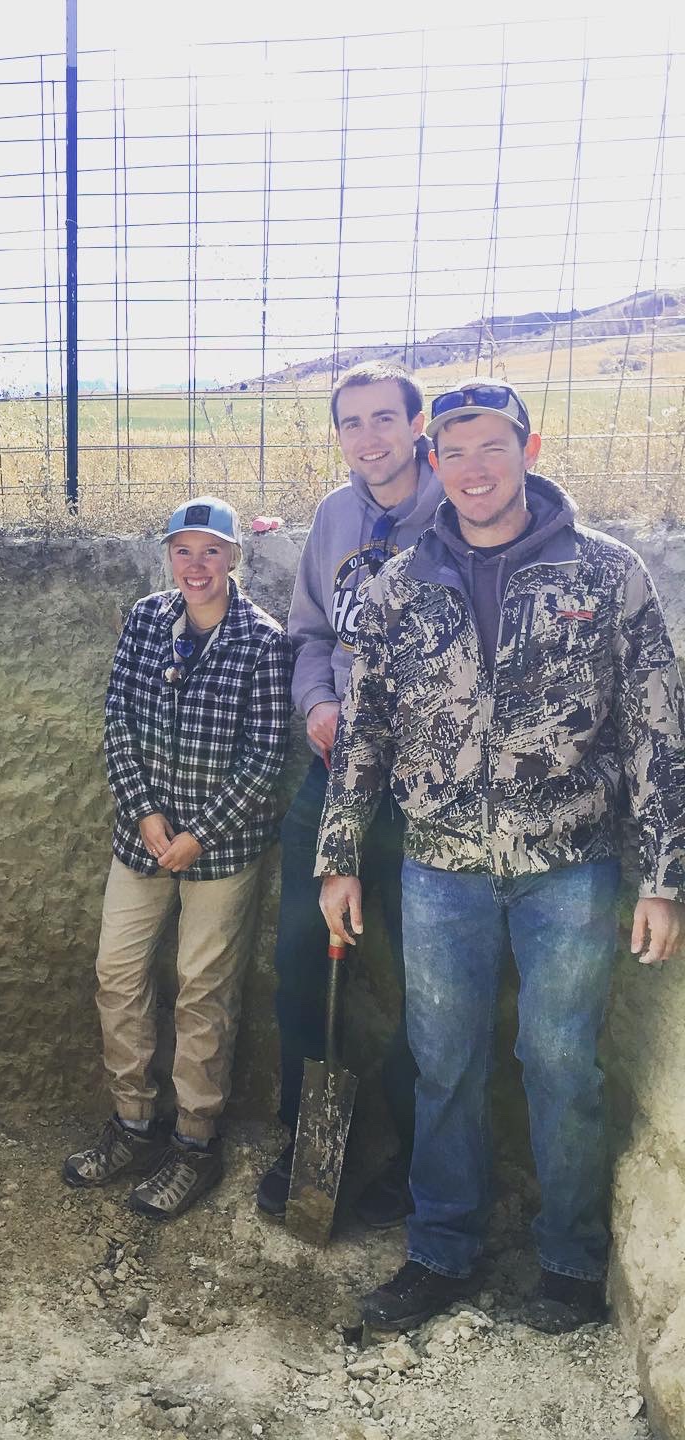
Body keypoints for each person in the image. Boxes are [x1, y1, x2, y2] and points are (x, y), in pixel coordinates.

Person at [317, 379, 685, 1334]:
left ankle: (569, 1260)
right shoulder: (400, 583)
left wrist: (664, 878)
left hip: (571, 868)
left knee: (561, 1060)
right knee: (445, 1061)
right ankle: (443, 1249)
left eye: (492, 447)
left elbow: (655, 732)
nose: (473, 469)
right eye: (456, 451)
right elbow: (365, 728)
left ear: (529, 446)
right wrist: (340, 857)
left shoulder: (607, 575)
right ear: (432, 460)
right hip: (440, 870)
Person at [62, 497, 293, 1220]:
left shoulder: (262, 641)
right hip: (143, 839)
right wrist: (148, 813)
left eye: (211, 552)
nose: (196, 566)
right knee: (119, 973)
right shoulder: (146, 620)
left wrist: (199, 833)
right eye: (183, 551)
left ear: (234, 559)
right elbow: (118, 718)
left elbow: (266, 757)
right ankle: (132, 1121)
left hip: (220, 851)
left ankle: (195, 1140)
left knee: (202, 989)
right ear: (169, 556)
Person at [257, 361, 442, 1227]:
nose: (368, 438)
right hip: (333, 779)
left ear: (416, 426)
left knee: (423, 978)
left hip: (426, 790)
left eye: (383, 419)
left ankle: (415, 1164)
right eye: (351, 424)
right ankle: (305, 1139)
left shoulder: (459, 509)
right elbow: (309, 635)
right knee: (300, 954)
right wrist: (318, 703)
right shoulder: (334, 517)